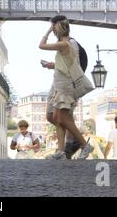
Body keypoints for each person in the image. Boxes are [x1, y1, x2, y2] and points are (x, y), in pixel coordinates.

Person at [39, 16, 93, 160]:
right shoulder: (64, 44)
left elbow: (41, 45)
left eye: (54, 27)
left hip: (65, 85)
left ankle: (83, 144)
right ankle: (61, 151)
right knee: (57, 118)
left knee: (61, 118)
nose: (54, 30)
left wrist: (48, 31)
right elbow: (67, 64)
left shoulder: (66, 44)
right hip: (60, 83)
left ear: (59, 28)